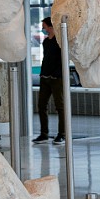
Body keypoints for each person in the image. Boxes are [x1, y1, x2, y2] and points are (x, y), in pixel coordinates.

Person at [33, 17, 65, 145]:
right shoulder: (46, 42)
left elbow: (61, 60)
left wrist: (57, 74)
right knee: (41, 105)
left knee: (60, 107)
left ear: (50, 26)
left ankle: (62, 134)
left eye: (44, 26)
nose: (43, 29)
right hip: (45, 76)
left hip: (56, 78)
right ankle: (44, 133)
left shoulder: (60, 42)